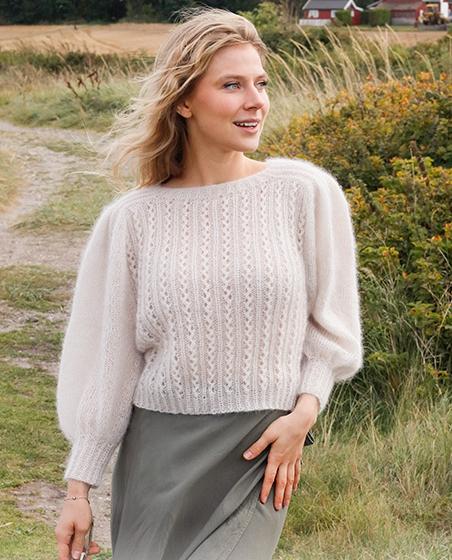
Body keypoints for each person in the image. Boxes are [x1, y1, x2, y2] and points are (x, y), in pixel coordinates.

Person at [54, 6, 363, 560]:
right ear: (184, 101)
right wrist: (79, 490)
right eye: (232, 85)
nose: (256, 100)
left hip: (258, 452)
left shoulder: (305, 192)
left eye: (261, 84)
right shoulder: (132, 219)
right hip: (158, 458)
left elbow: (330, 328)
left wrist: (305, 412)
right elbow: (112, 363)